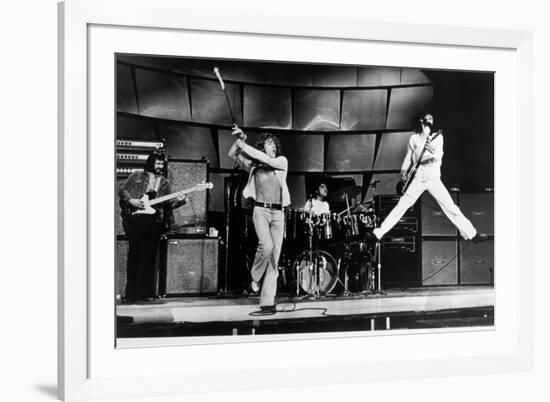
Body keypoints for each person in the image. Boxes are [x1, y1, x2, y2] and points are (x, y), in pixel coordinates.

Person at [372, 114, 486, 243]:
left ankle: (472, 235)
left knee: (450, 207)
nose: (431, 118)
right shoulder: (414, 138)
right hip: (418, 177)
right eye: (428, 117)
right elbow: (408, 157)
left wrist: (431, 150)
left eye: (432, 117)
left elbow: (439, 156)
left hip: (433, 177)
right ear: (421, 120)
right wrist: (404, 170)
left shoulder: (438, 137)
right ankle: (378, 234)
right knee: (401, 206)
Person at [228, 125, 290, 313]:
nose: (272, 146)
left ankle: (267, 303)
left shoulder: (281, 162)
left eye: (274, 144)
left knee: (274, 259)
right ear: (262, 146)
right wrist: (240, 139)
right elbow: (232, 154)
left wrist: (244, 144)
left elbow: (261, 157)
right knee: (267, 246)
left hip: (279, 214)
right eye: (268, 143)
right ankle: (255, 277)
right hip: (261, 211)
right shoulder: (254, 167)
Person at [118, 151, 187, 303]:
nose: (160, 166)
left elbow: (169, 204)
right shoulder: (136, 175)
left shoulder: (164, 182)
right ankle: (131, 294)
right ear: (151, 162)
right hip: (136, 220)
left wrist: (181, 201)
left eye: (162, 163)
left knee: (150, 258)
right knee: (134, 256)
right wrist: (132, 201)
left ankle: (146, 293)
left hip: (155, 221)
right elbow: (121, 190)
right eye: (158, 163)